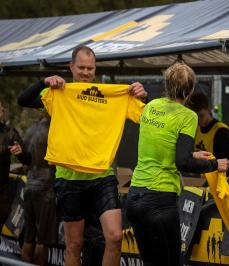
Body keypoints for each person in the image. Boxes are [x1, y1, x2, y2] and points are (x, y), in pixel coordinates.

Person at [18, 45, 147, 266]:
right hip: (70, 179)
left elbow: (148, 116)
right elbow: (23, 100)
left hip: (102, 176)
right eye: (81, 68)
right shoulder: (60, 92)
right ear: (71, 67)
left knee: (115, 238)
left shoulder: (113, 96)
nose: (86, 72)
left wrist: (144, 95)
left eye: (90, 68)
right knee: (74, 246)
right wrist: (44, 81)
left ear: (95, 69)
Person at [126, 62, 229, 266]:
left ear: (166, 83)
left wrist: (193, 154)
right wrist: (214, 164)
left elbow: (161, 147)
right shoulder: (187, 116)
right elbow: (182, 162)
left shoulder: (152, 106)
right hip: (159, 200)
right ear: (190, 89)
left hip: (134, 198)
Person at [21, 113, 56, 266]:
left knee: (29, 237)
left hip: (29, 186)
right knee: (42, 241)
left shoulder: (30, 129)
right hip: (46, 188)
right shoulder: (54, 128)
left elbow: (24, 160)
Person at [0, 100, 31, 230]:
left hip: (1, 193)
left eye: (1, 108)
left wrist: (21, 152)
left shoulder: (9, 132)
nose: (1, 111)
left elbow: (27, 160)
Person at [187, 92, 229, 165]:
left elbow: (228, 163)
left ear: (208, 109)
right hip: (199, 175)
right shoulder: (196, 129)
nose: (197, 120)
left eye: (200, 115)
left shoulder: (222, 131)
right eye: (194, 117)